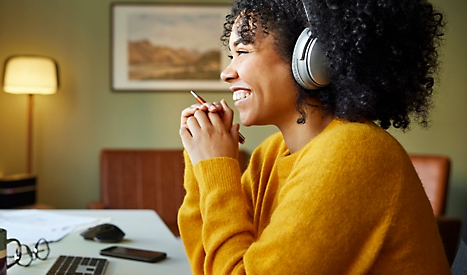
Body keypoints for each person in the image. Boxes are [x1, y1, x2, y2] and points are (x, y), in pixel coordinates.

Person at [177, 0, 450, 274]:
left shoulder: (352, 153)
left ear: (312, 57)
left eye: (243, 51)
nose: (226, 73)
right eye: (230, 56)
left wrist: (216, 166)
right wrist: (202, 163)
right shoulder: (272, 153)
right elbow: (209, 264)